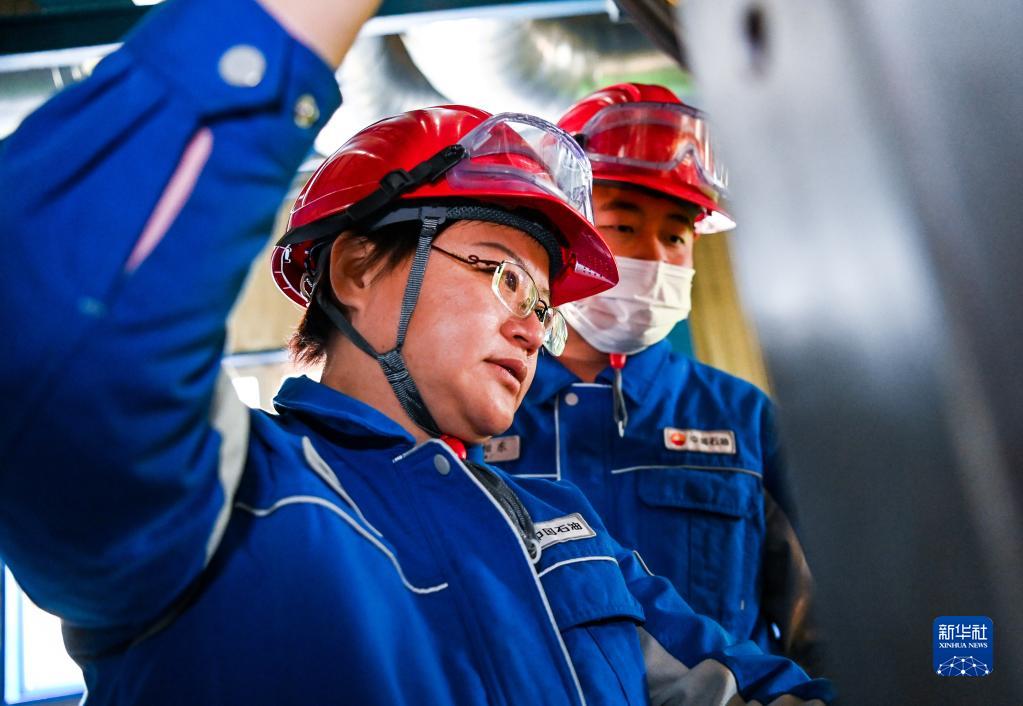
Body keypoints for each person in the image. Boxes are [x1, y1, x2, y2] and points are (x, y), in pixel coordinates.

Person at [0, 1, 831, 703]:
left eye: (542, 305)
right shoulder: (224, 499)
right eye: (503, 276)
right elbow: (58, 334)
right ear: (358, 268)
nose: (533, 328)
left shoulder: (564, 531)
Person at [490, 83, 821, 671]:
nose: (656, 257)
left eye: (675, 235)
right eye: (623, 227)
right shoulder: (484, 410)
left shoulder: (744, 419)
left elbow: (823, 624)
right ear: (563, 238)